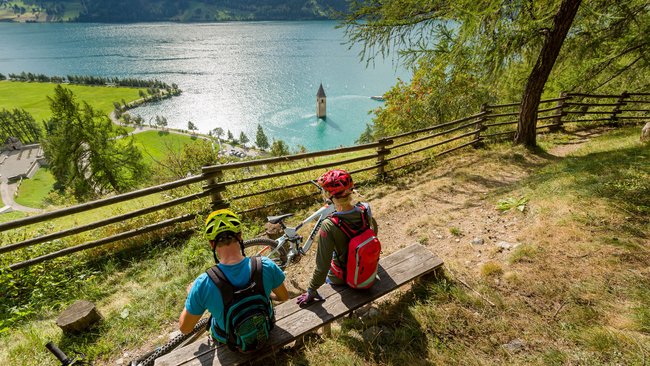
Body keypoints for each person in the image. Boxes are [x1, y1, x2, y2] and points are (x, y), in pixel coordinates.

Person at [179, 209, 289, 348]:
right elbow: (284, 296)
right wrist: (266, 294)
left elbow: (185, 328)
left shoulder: (203, 283)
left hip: (231, 345)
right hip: (265, 330)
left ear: (211, 244)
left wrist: (191, 295)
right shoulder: (266, 265)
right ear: (241, 236)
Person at [296, 169, 379, 305]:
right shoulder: (365, 209)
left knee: (329, 272)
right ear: (351, 190)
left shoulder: (329, 225)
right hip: (364, 269)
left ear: (329, 195)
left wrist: (311, 290)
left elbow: (322, 267)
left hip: (342, 278)